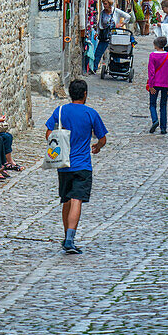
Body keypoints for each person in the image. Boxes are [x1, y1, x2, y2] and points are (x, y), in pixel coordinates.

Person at [45, 78, 107, 254]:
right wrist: (97, 147)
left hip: (63, 163)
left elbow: (49, 133)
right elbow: (102, 138)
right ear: (85, 94)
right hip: (82, 164)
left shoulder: (61, 110)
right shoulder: (91, 113)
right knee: (77, 200)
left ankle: (66, 236)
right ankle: (70, 240)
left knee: (66, 200)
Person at [91, 0, 131, 72]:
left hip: (114, 35)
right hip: (105, 35)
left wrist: (121, 24)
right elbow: (100, 24)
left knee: (116, 52)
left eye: (105, 4)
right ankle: (94, 68)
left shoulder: (115, 11)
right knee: (98, 52)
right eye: (103, 4)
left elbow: (128, 16)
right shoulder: (103, 13)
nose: (104, 6)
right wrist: (97, 33)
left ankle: (116, 68)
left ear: (109, 4)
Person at [147, 34, 168, 134]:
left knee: (152, 104)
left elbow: (151, 72)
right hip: (165, 83)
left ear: (155, 45)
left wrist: (150, 85)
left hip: (155, 83)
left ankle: (155, 120)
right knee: (163, 105)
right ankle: (163, 127)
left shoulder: (152, 55)